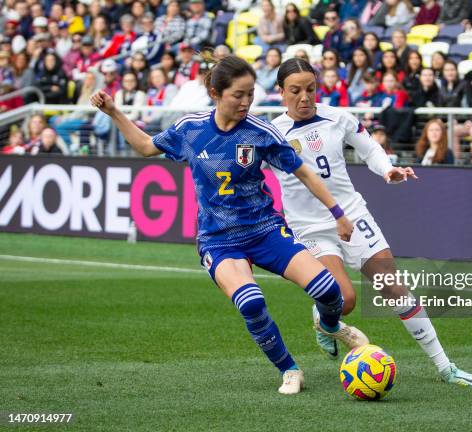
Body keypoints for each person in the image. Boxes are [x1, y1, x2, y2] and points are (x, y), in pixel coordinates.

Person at [90, 55, 369, 395]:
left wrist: (338, 213)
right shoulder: (190, 129)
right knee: (251, 302)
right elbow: (147, 146)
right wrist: (115, 113)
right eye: (238, 94)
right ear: (215, 93)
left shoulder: (260, 132)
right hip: (219, 240)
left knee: (329, 291)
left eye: (251, 94)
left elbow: (303, 171)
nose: (246, 102)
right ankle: (290, 369)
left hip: (265, 229)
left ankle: (329, 325)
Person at [271, 58, 472, 386]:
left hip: (352, 214)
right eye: (295, 91)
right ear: (280, 92)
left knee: (394, 288)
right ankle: (328, 320)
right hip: (310, 228)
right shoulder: (272, 133)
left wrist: (387, 169)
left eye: (310, 89)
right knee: (346, 299)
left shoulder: (338, 118)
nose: (305, 97)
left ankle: (445, 366)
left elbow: (371, 150)